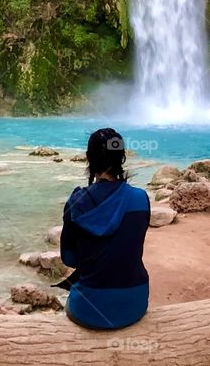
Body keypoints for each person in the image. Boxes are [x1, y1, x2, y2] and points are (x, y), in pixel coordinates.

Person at [58, 127, 150, 329]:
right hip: (135, 303)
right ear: (122, 158)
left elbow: (69, 259)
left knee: (70, 302)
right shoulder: (141, 199)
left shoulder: (77, 202)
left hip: (90, 310)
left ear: (88, 158)